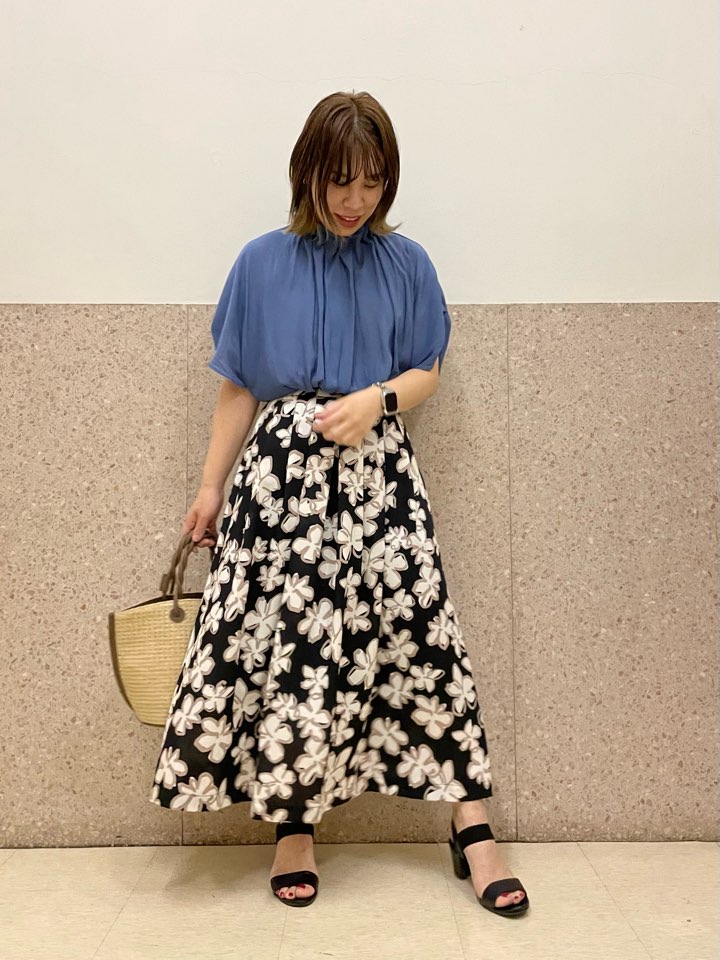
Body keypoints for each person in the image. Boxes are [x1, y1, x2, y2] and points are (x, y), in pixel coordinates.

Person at [149, 90, 529, 918]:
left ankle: (472, 826)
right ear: (307, 173)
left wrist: (377, 401)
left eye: (372, 181)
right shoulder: (260, 262)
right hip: (280, 486)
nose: (356, 200)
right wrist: (210, 486)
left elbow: (427, 369)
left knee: (425, 636)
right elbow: (238, 387)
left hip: (379, 476)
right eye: (340, 180)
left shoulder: (408, 264)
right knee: (296, 648)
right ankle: (294, 826)